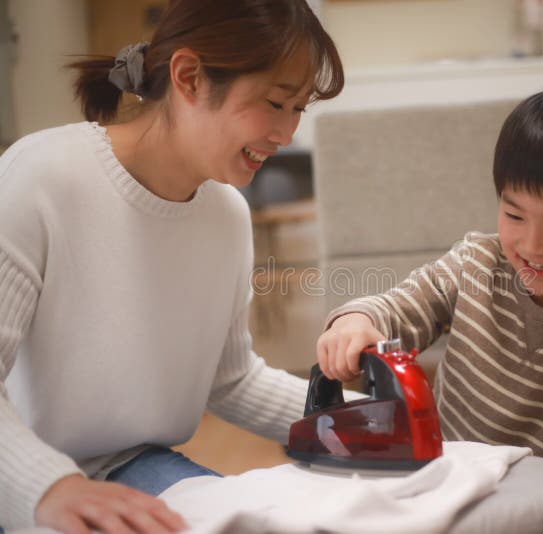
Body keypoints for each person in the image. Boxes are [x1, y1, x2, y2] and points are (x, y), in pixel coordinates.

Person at [0, 0, 343, 532]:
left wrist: (355, 417)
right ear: (189, 77)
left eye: (298, 108)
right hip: (23, 481)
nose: (286, 133)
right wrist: (50, 486)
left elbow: (229, 381)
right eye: (276, 103)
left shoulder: (226, 214)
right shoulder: (39, 179)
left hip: (134, 465)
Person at [317, 89, 543, 533]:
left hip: (531, 514)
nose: (531, 245)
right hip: (437, 490)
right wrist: (357, 321)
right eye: (514, 216)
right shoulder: (477, 263)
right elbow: (405, 305)